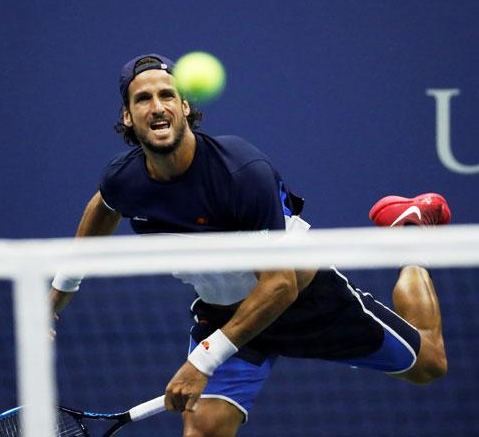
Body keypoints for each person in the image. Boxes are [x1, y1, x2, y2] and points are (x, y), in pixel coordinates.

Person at [49, 53, 450, 437]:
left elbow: (279, 285)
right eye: (143, 98)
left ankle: (410, 244)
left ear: (185, 107)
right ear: (127, 116)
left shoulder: (240, 172)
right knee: (203, 430)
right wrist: (58, 296)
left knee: (430, 364)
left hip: (304, 301)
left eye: (167, 95)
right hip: (225, 315)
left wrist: (202, 361)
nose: (157, 107)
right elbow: (104, 205)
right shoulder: (124, 179)